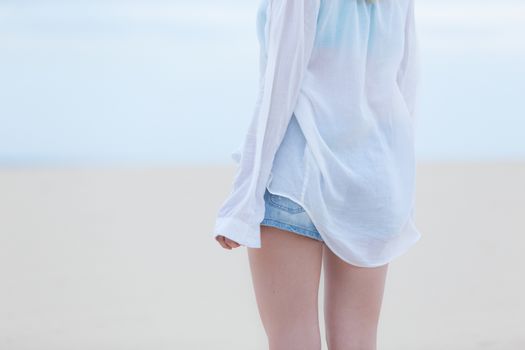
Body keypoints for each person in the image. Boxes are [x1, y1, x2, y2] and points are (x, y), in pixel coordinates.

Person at [212, 0, 421, 348]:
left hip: (298, 177)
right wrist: (397, 181)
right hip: (374, 180)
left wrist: (244, 198)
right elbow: (404, 79)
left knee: (292, 340)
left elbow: (280, 83)